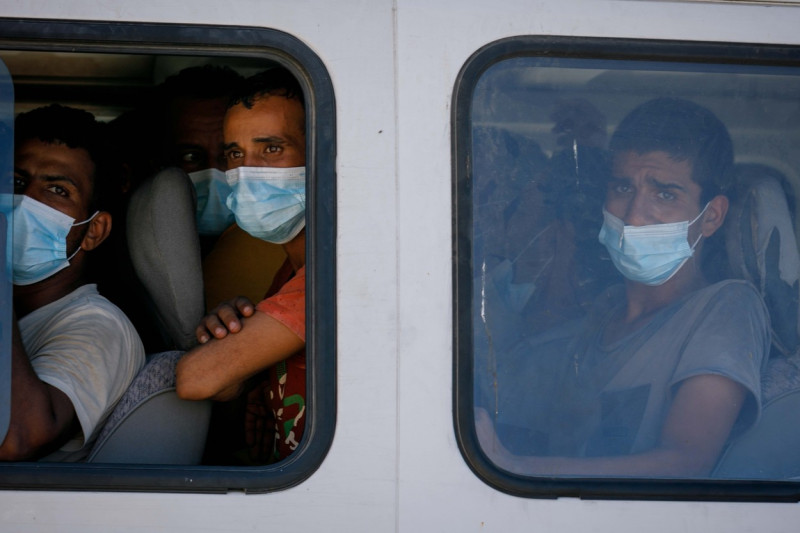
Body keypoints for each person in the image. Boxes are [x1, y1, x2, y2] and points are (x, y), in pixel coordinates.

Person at [476, 98, 770, 478]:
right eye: (622, 188)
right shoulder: (604, 312)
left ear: (710, 216)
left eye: (665, 194)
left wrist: (512, 468)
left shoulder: (726, 308)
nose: (633, 215)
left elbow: (685, 463)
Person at [176, 67, 308, 464]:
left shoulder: (333, 280)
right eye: (236, 153)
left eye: (271, 149)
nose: (246, 172)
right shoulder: (288, 274)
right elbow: (223, 388)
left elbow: (196, 380)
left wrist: (221, 359)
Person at [0, 104, 145, 461]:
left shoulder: (99, 327)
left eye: (58, 191)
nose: (25, 200)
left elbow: (18, 437)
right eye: (15, 182)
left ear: (94, 231)